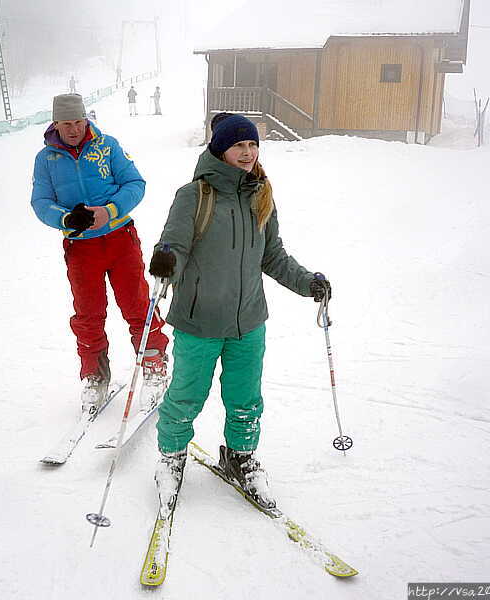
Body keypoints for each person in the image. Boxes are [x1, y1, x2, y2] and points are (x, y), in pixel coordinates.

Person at [148, 115, 331, 512]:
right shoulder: (193, 195)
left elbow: (274, 255)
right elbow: (174, 246)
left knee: (246, 399)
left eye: (253, 145)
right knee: (186, 396)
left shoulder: (260, 194)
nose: (248, 153)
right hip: (199, 323)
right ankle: (171, 458)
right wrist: (165, 262)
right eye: (239, 146)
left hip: (248, 322)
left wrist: (307, 282)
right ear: (220, 149)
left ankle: (240, 457)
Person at [30, 93, 169, 413]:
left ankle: (154, 364)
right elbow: (40, 202)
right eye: (67, 123)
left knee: (136, 305)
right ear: (56, 124)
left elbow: (135, 183)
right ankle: (95, 374)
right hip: (81, 247)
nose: (74, 129)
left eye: (79, 121)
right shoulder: (46, 159)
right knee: (88, 313)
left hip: (120, 239)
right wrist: (65, 218)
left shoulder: (108, 146)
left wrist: (110, 210)